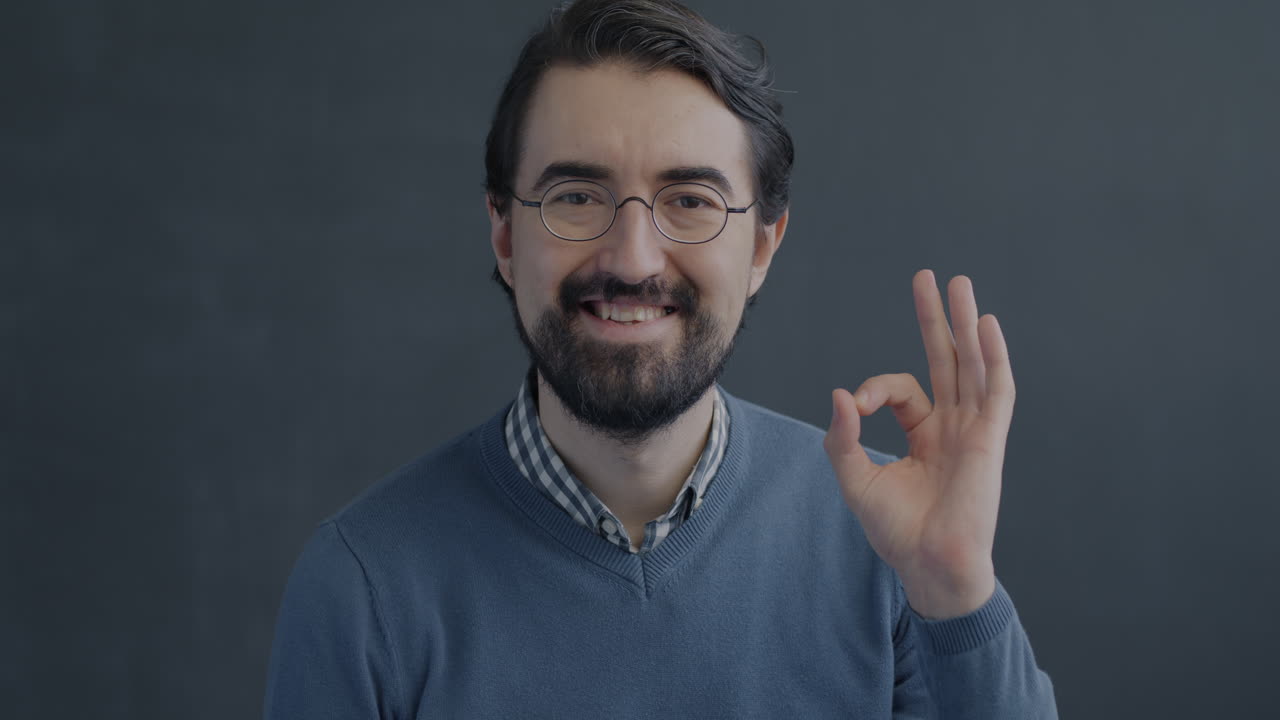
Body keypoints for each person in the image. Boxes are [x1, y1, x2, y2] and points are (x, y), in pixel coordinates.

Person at [264, 0, 1058, 717]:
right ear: (504, 235)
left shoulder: (887, 544)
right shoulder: (363, 586)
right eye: (578, 197)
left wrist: (956, 591)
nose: (634, 259)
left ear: (763, 248)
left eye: (690, 202)